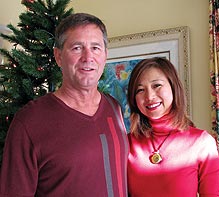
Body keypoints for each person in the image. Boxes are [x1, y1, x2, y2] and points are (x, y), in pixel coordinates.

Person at [0, 13, 129, 197]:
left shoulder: (113, 107)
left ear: (105, 55)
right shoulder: (29, 122)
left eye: (96, 47)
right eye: (77, 48)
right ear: (58, 56)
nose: (88, 57)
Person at [127, 57, 219, 197]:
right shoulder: (125, 143)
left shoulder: (202, 142)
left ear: (173, 87)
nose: (149, 96)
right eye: (140, 90)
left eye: (156, 85)